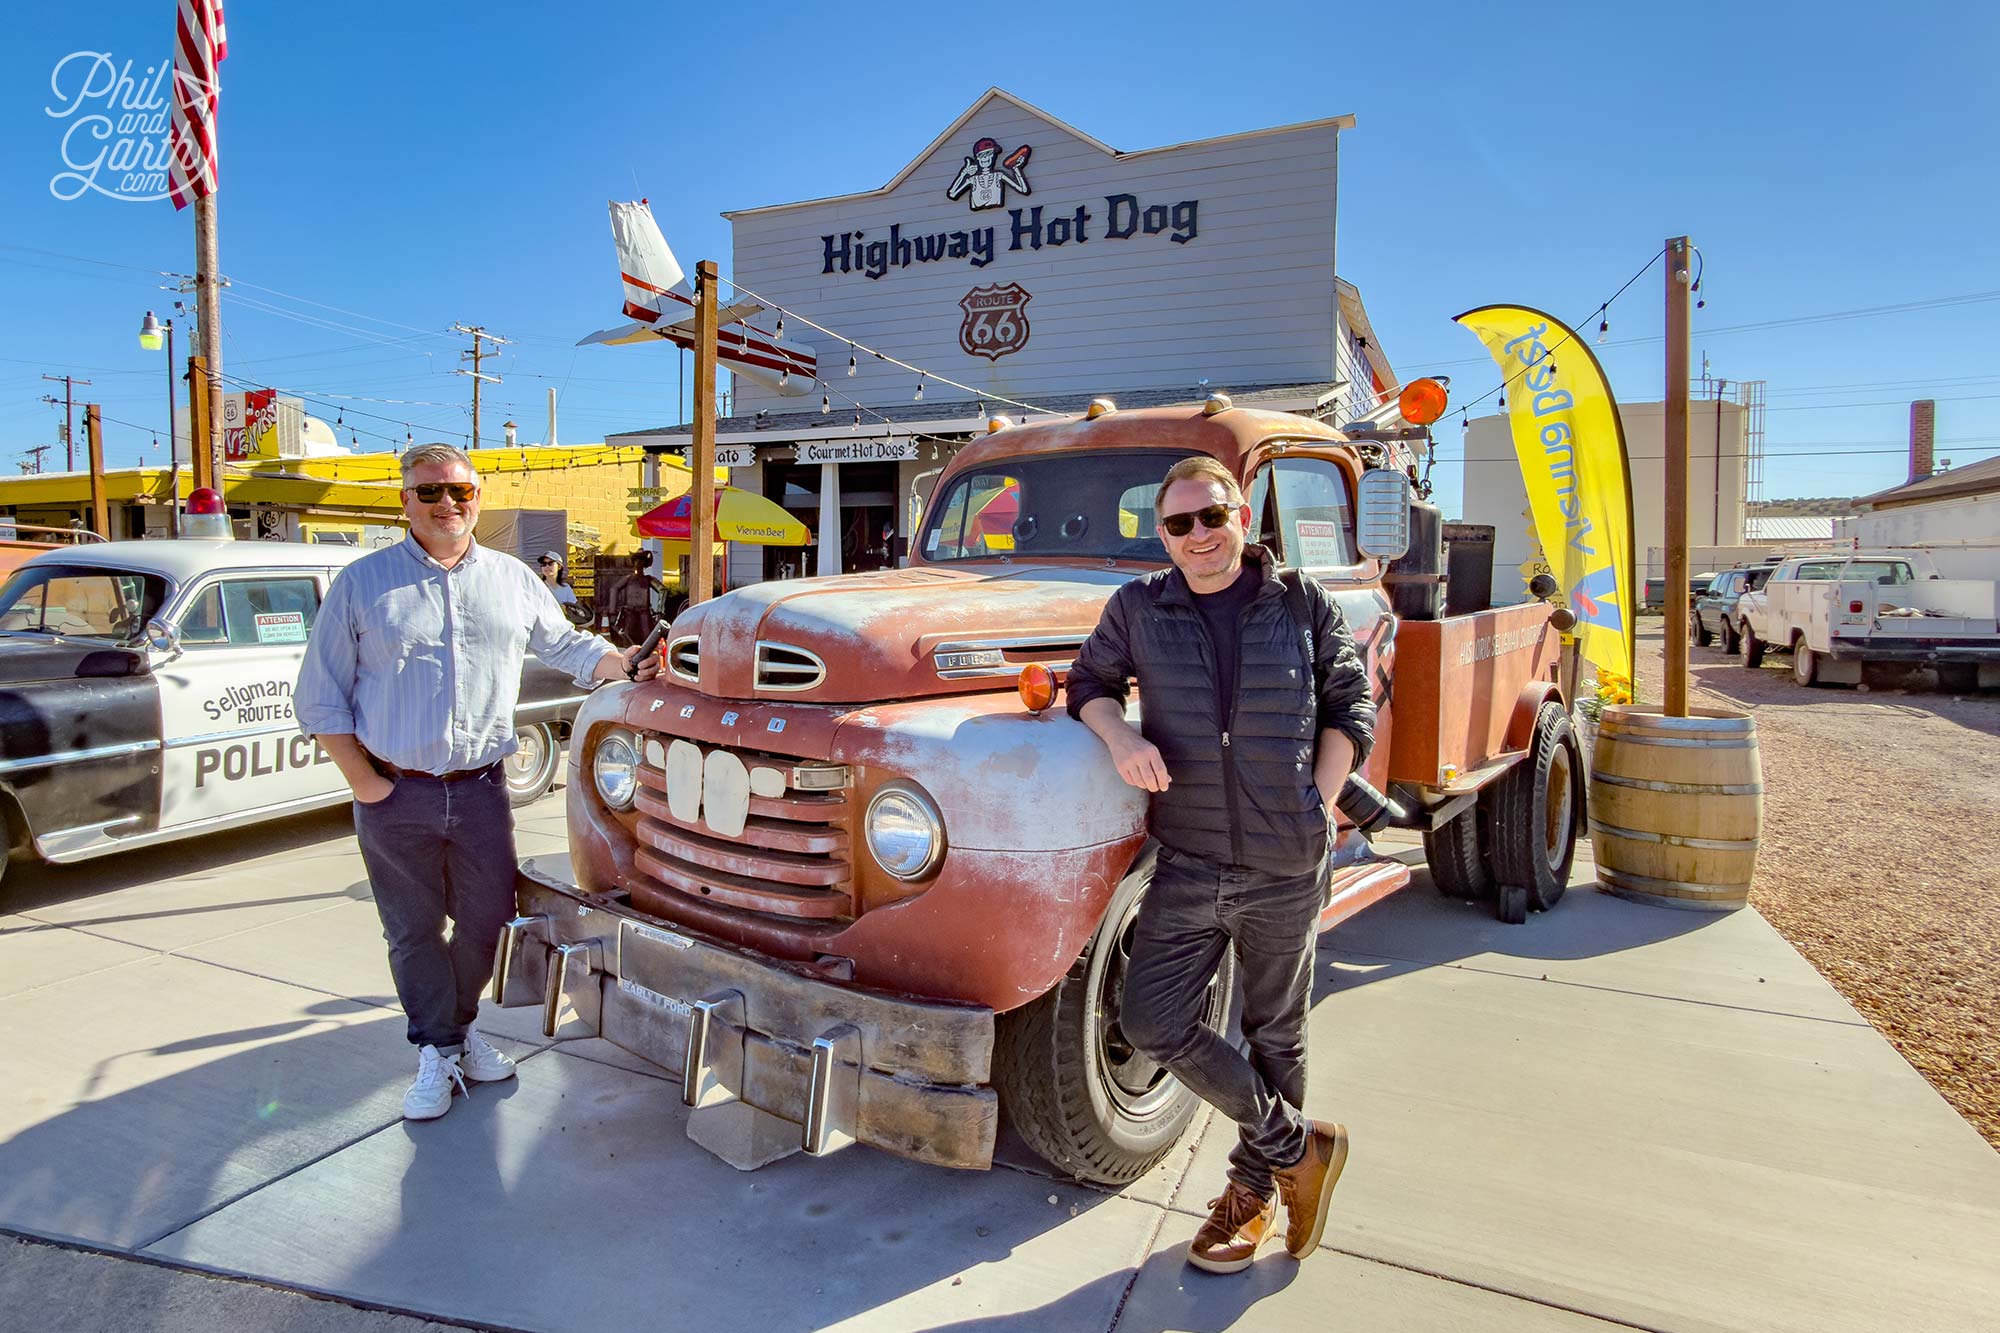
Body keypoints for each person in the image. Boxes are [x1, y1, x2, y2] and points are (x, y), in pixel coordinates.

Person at [1065, 453, 1375, 1275]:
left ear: (1243, 515)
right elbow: (1087, 682)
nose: (1199, 534)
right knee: (1150, 1019)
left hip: (1285, 861)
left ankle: (1252, 1191)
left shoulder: (1301, 601)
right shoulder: (1139, 607)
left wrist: (1318, 801)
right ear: (1163, 537)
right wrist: (1119, 736)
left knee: (1276, 1031)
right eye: (1180, 523)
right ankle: (1298, 1147)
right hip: (1191, 857)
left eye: (1213, 515)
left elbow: (1351, 702)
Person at [295, 444, 660, 1122]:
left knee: (489, 921)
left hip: (480, 791)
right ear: (405, 501)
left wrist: (622, 663)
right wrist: (366, 785)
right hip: (395, 793)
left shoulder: (511, 579)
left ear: (477, 499)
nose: (447, 504)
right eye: (430, 491)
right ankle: (439, 1047)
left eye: (459, 491)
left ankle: (453, 1032)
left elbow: (567, 645)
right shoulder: (363, 583)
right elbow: (319, 698)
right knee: (413, 931)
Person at [605, 548, 662, 646]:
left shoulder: (648, 579)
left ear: (644, 563)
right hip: (630, 612)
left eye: (641, 560)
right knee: (627, 635)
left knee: (647, 636)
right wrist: (612, 611)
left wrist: (660, 610)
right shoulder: (629, 579)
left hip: (644, 612)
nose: (638, 562)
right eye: (636, 560)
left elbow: (662, 590)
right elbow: (614, 589)